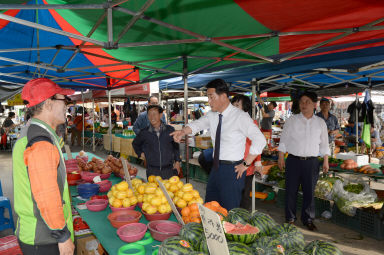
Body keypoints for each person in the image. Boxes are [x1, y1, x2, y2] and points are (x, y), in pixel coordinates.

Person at [171, 79, 266, 210]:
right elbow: (198, 124)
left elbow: (260, 140)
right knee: (210, 205)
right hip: (216, 167)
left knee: (229, 209)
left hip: (233, 169)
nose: (209, 101)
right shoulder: (213, 115)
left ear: (223, 96)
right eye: (208, 97)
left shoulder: (240, 116)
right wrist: (182, 132)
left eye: (211, 97)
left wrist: (246, 164)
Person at [12, 78, 75, 254]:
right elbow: (46, 194)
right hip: (45, 238)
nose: (67, 106)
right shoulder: (41, 142)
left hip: (38, 234)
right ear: (48, 103)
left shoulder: (33, 132)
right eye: (65, 100)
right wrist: (63, 236)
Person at [278, 91, 330, 231]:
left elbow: (325, 144)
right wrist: (281, 156)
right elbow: (284, 140)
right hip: (293, 161)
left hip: (312, 162)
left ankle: (308, 219)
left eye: (307, 102)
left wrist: (326, 160)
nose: (304, 105)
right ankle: (290, 218)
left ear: (314, 104)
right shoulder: (292, 120)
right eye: (301, 102)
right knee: (290, 191)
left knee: (309, 192)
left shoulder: (320, 123)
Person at [231, 94, 263, 210]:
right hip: (233, 164)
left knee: (244, 195)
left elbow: (258, 144)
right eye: (233, 104)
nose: (234, 107)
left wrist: (258, 163)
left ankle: (242, 220)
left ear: (245, 108)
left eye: (237, 105)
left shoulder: (251, 123)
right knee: (232, 194)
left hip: (246, 166)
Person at [132, 105, 181, 179]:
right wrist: (140, 153)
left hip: (169, 170)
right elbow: (135, 143)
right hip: (152, 170)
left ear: (161, 115)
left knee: (169, 190)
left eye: (154, 114)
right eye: (149, 114)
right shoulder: (144, 132)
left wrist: (177, 162)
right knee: (153, 190)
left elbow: (175, 146)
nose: (152, 117)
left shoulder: (170, 130)